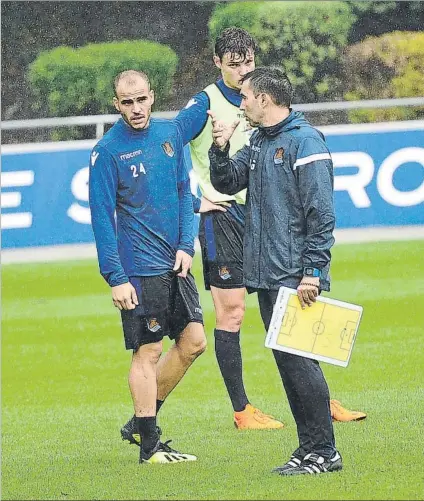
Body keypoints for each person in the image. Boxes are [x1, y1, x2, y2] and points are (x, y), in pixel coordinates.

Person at [120, 27, 365, 443]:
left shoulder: (266, 105)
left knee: (291, 312)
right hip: (223, 215)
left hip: (263, 218)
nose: (242, 71)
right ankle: (241, 408)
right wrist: (194, 199)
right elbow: (167, 144)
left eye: (247, 62)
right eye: (234, 65)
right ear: (218, 64)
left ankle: (317, 400)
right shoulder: (205, 103)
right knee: (232, 313)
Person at [208, 66, 344, 475]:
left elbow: (321, 213)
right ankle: (309, 449)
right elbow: (228, 182)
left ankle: (324, 452)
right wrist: (220, 146)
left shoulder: (304, 141)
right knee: (289, 363)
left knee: (301, 363)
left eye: (246, 96)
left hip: (295, 275)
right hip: (267, 273)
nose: (242, 102)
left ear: (264, 99)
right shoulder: (259, 142)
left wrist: (313, 271)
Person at [89, 69, 206, 465]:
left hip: (177, 264)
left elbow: (183, 192)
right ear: (116, 104)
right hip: (139, 268)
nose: (136, 109)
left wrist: (187, 245)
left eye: (141, 99)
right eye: (127, 101)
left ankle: (140, 422)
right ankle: (150, 445)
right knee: (149, 352)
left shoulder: (171, 135)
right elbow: (102, 217)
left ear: (152, 97)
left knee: (193, 343)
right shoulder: (108, 151)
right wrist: (116, 276)